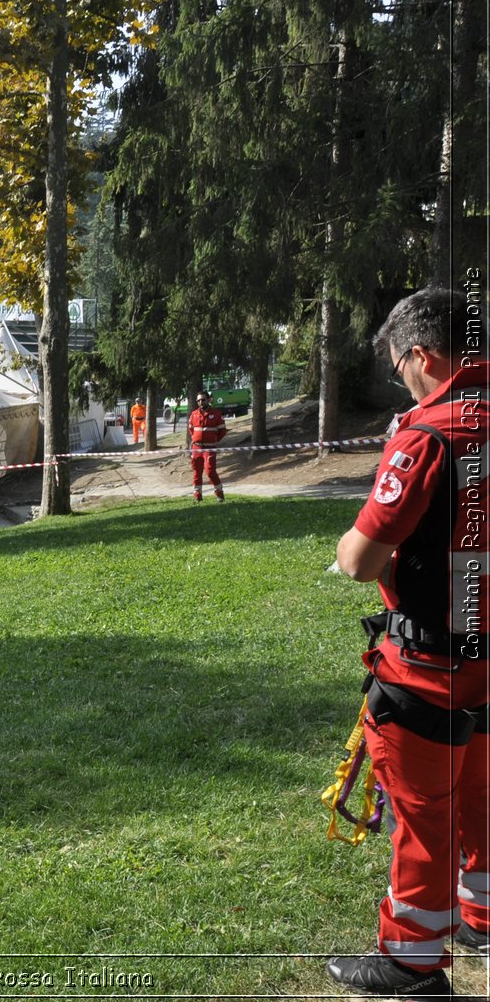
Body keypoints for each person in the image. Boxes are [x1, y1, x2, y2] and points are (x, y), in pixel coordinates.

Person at [327, 286, 489, 999]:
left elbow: (361, 558)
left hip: (429, 664)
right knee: (484, 795)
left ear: (421, 355)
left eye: (401, 368)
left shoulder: (430, 433)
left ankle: (414, 959)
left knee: (423, 813)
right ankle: (482, 913)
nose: (403, 381)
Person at [187, 391, 228, 502]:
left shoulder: (216, 414)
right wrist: (196, 439)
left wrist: (214, 440)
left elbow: (222, 431)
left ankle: (219, 493)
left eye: (203, 399)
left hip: (210, 448)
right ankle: (197, 496)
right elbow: (191, 429)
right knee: (197, 471)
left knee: (210, 471)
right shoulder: (194, 414)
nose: (200, 402)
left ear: (209, 400)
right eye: (198, 400)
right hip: (196, 448)